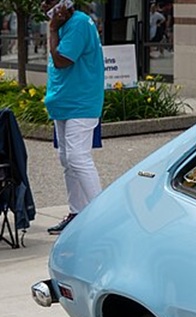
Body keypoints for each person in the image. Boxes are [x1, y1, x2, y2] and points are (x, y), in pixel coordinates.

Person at [42, 0, 103, 236]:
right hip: (64, 102)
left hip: (81, 103)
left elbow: (61, 60)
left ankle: (102, 214)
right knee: (67, 159)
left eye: (50, 2)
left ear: (66, 3)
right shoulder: (67, 23)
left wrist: (52, 29)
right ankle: (77, 213)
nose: (46, 7)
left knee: (78, 157)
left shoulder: (78, 24)